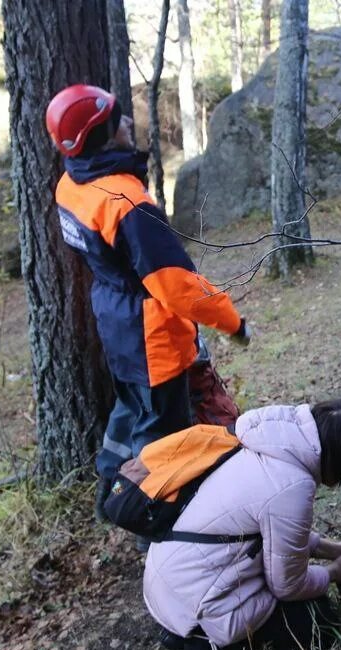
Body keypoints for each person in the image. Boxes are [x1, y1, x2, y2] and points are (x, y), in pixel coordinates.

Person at [44, 85, 250, 519]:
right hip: (151, 336)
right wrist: (232, 321)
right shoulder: (127, 203)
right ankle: (151, 519)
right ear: (100, 136)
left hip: (115, 325)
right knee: (164, 435)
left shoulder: (71, 185)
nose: (124, 123)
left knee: (128, 412)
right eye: (113, 120)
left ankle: (109, 490)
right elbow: (177, 284)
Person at [143, 400, 341, 650]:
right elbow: (288, 586)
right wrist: (334, 572)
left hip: (170, 587)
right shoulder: (293, 487)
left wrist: (332, 548)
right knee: (319, 619)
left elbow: (272, 531)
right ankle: (205, 648)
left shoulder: (269, 445)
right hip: (195, 613)